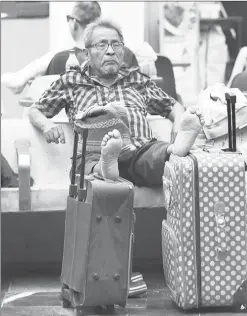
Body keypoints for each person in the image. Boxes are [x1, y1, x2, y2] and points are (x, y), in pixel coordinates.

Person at [27, 18, 204, 296]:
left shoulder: (137, 80)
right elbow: (36, 110)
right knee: (98, 172)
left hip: (137, 148)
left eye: (116, 45)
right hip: (93, 151)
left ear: (123, 51)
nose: (110, 51)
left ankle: (172, 150)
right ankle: (106, 168)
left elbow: (173, 107)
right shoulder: (71, 80)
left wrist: (179, 124)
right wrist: (48, 125)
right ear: (86, 53)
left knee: (157, 155)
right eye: (102, 45)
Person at [1, 2, 153, 94]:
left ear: (73, 22)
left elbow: (44, 98)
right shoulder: (127, 53)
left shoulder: (59, 58)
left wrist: (37, 81)